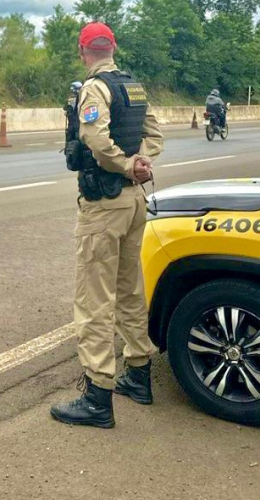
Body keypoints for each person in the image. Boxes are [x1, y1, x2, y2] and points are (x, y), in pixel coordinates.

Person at [50, 22, 164, 429]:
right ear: (112, 47)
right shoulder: (133, 87)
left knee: (94, 299)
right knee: (129, 289)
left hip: (106, 204)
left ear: (84, 52)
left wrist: (124, 163)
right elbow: (155, 134)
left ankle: (98, 396)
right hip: (135, 201)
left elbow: (94, 139)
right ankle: (137, 374)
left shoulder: (94, 89)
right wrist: (140, 162)